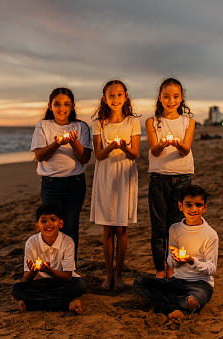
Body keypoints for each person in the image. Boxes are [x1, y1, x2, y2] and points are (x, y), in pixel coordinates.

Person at [134, 185, 218, 322]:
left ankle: (163, 301)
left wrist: (191, 261)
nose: (193, 209)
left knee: (193, 301)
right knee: (139, 282)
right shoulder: (175, 229)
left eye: (198, 205)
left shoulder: (210, 235)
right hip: (177, 282)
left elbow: (211, 269)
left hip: (200, 285)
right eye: (188, 205)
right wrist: (175, 259)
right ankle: (173, 308)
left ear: (205, 207)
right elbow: (170, 262)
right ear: (180, 206)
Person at [90, 80, 141, 291]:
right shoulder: (99, 124)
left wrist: (124, 147)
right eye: (111, 95)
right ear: (105, 99)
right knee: (108, 228)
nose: (115, 99)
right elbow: (99, 155)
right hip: (106, 175)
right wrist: (111, 147)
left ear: (125, 96)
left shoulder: (132, 122)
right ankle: (108, 276)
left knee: (122, 228)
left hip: (125, 175)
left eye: (119, 95)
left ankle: (119, 275)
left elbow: (135, 154)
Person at [30, 88, 92, 260]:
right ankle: (53, 264)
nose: (61, 108)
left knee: (71, 226)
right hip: (51, 184)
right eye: (57, 104)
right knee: (51, 227)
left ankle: (69, 267)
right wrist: (57, 143)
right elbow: (40, 156)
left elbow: (85, 158)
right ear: (50, 106)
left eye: (66, 104)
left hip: (75, 183)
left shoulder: (80, 127)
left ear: (72, 106)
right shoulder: (43, 126)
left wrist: (73, 141)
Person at [146, 77, 196, 278]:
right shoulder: (153, 122)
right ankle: (159, 269)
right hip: (159, 177)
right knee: (159, 227)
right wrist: (164, 144)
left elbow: (186, 150)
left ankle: (171, 268)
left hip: (183, 177)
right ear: (160, 97)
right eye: (166, 96)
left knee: (176, 227)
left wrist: (176, 144)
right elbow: (155, 151)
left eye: (175, 96)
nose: (171, 100)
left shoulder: (188, 122)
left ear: (181, 97)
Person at [11, 204, 87, 314]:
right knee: (16, 289)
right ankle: (66, 304)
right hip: (41, 284)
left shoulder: (67, 242)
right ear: (37, 226)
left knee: (81, 285)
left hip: (61, 283)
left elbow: (67, 277)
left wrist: (48, 270)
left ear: (60, 223)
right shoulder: (31, 243)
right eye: (43, 221)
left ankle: (32, 304)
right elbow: (26, 279)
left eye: (53, 219)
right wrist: (34, 270)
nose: (48, 224)